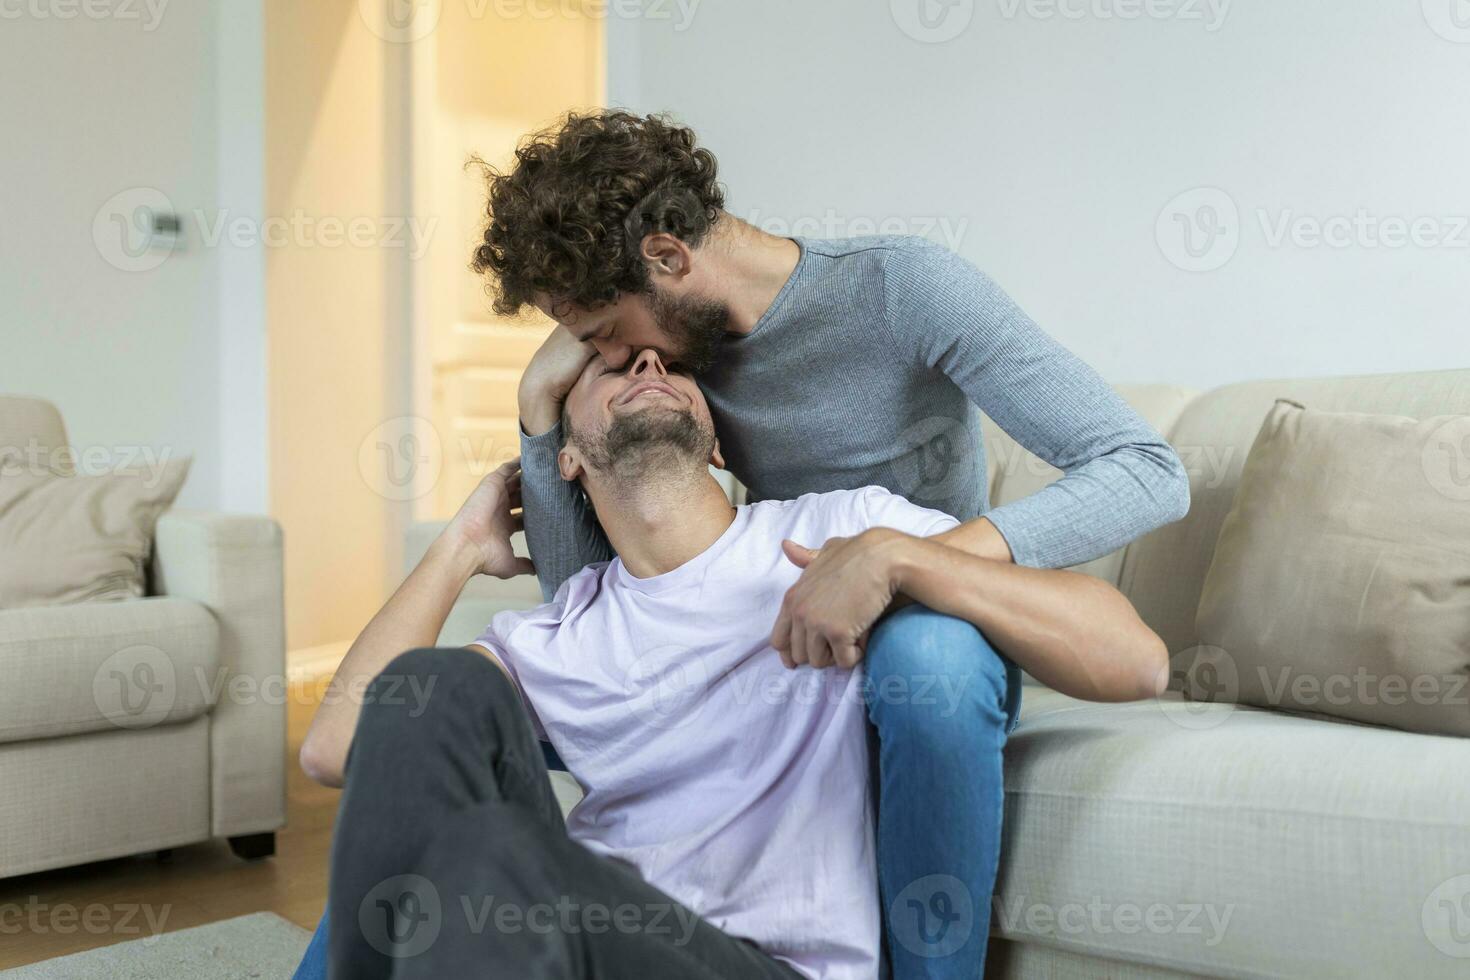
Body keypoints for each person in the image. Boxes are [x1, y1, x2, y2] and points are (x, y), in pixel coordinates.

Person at [299, 349, 1170, 978]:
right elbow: (338, 750)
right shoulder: (563, 635)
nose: (646, 362)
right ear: (564, 455)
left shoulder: (840, 528)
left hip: (761, 966)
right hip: (580, 943)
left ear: (715, 439)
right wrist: (457, 549)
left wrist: (905, 562)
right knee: (434, 691)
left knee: (494, 858)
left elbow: (1134, 658)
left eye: (671, 365)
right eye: (608, 365)